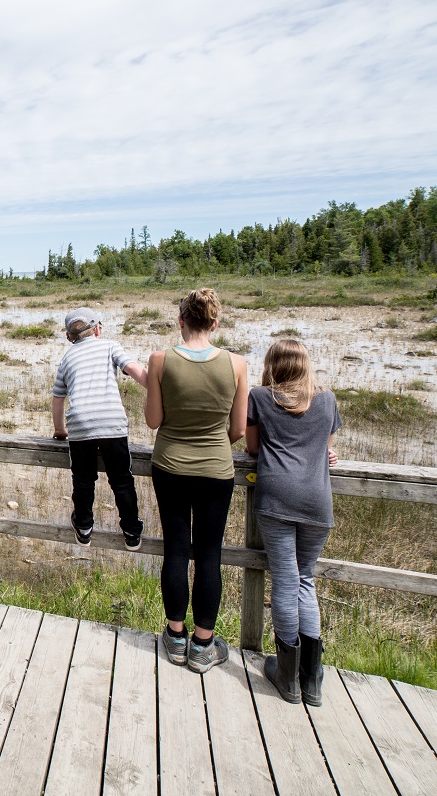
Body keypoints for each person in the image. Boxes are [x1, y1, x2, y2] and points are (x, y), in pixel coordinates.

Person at [144, 288, 248, 674]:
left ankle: (174, 638)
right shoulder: (236, 365)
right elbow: (237, 429)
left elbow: (153, 421)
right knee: (209, 554)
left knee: (175, 548)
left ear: (181, 320)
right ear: (215, 323)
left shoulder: (160, 360)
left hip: (169, 465)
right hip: (216, 471)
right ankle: (203, 646)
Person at [246, 338, 341, 706]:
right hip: (317, 501)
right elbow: (327, 446)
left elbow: (252, 449)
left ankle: (287, 676)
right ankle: (312, 680)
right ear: (306, 365)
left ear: (272, 365)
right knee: (305, 579)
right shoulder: (327, 400)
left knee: (285, 580)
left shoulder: (260, 397)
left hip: (276, 498)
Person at [52, 308, 149, 550]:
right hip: (111, 423)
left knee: (83, 480)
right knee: (122, 480)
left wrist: (60, 430)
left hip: (80, 425)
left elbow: (58, 398)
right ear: (97, 329)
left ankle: (84, 526)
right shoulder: (109, 346)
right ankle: (131, 531)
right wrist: (157, 387)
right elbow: (134, 371)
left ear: (69, 336)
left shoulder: (66, 358)